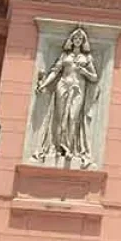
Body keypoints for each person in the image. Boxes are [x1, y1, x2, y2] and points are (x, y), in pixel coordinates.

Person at [33, 27, 99, 168]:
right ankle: (57, 148)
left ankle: (70, 149)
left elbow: (94, 77)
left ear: (83, 41)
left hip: (77, 89)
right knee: (59, 117)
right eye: (75, 38)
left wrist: (85, 72)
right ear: (72, 40)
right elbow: (55, 71)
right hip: (62, 86)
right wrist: (44, 84)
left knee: (72, 117)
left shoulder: (86, 58)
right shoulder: (64, 56)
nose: (77, 41)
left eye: (80, 39)